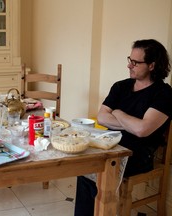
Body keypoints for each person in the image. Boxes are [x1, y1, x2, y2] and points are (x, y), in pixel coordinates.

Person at [74, 39, 172, 215]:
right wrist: (132, 123)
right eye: (129, 59)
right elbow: (102, 117)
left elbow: (143, 131)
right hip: (110, 143)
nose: (129, 65)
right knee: (84, 167)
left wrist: (118, 113)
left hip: (139, 154)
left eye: (135, 62)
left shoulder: (163, 93)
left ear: (152, 65)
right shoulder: (121, 86)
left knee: (95, 171)